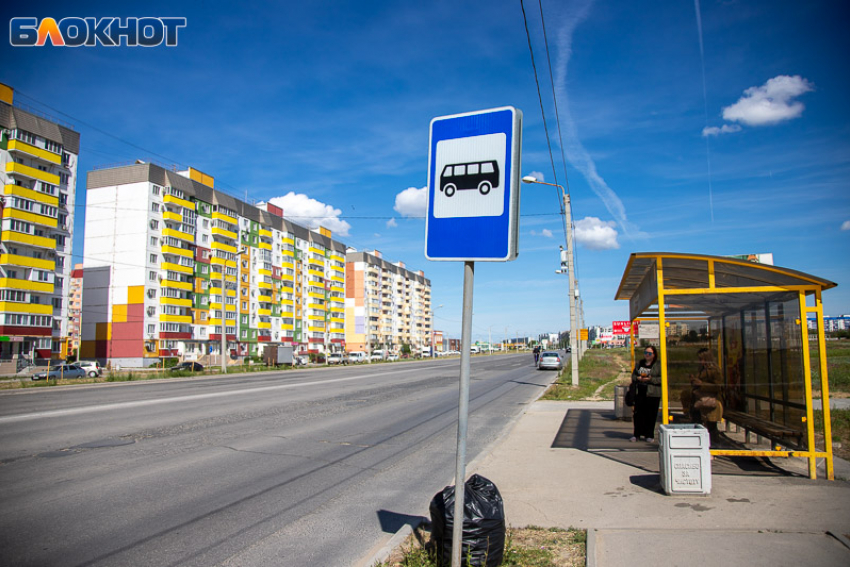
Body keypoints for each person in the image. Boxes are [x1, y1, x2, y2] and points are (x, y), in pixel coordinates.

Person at [681, 347, 723, 445]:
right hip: (699, 401)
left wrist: (701, 384)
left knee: (711, 426)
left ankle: (715, 447)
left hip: (711, 401)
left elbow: (718, 387)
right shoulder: (702, 369)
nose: (700, 361)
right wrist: (694, 381)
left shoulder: (714, 370)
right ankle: (699, 444)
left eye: (701, 359)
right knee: (697, 422)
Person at [630, 345, 661, 442]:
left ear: (654, 354)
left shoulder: (658, 365)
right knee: (638, 414)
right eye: (645, 353)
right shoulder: (640, 364)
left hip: (653, 393)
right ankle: (637, 434)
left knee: (651, 414)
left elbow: (662, 379)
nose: (647, 355)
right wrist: (638, 378)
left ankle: (649, 435)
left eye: (649, 353)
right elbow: (633, 376)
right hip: (640, 392)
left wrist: (650, 379)